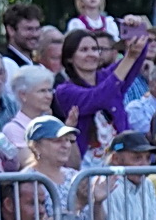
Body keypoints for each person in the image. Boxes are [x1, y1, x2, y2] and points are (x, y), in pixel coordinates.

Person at [55, 25, 150, 159]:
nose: (91, 54)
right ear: (69, 58)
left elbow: (136, 59)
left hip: (121, 158)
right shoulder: (64, 90)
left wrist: (135, 27)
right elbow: (99, 97)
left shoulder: (107, 76)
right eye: (84, 50)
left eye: (95, 49)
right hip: (87, 166)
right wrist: (129, 57)